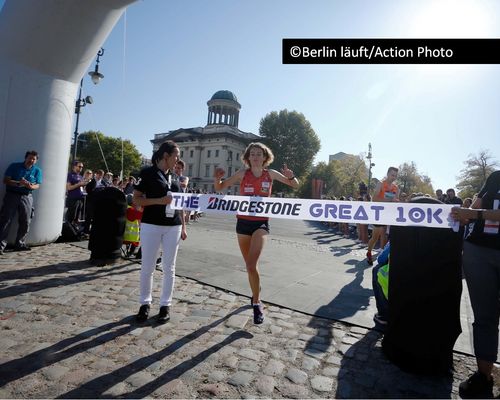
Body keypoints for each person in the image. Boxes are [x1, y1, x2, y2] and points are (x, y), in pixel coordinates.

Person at [214, 142, 299, 324]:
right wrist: (217, 178)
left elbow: (296, 186)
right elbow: (220, 188)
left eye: (258, 153)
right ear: (248, 157)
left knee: (252, 265)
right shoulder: (242, 174)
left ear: (265, 157)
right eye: (252, 153)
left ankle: (256, 303)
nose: (255, 156)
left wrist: (292, 177)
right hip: (242, 223)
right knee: (250, 266)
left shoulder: (271, 174)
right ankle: (256, 291)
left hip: (261, 223)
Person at [451, 170, 500, 399]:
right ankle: (484, 376)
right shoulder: (495, 177)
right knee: (484, 317)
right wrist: (460, 214)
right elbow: (472, 210)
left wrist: (475, 213)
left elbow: (477, 212)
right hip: (478, 251)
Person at [133, 141, 187, 324]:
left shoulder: (175, 177)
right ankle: (145, 303)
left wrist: (184, 227)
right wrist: (159, 200)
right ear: (165, 156)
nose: (178, 159)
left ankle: (165, 305)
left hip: (174, 226)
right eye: (176, 156)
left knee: (169, 268)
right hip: (152, 224)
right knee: (147, 267)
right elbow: (136, 200)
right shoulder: (147, 173)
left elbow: (179, 204)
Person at [0, 150, 42, 254]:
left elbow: (37, 185)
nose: (31, 160)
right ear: (25, 158)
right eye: (29, 158)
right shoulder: (14, 166)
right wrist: (19, 183)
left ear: (36, 161)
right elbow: (6, 180)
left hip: (27, 196)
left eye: (34, 159)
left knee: (26, 221)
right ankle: (0, 246)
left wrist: (30, 186)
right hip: (12, 195)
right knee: (6, 220)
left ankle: (20, 244)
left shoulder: (37, 170)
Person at [366, 167, 399, 265]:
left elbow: (395, 202)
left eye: (396, 176)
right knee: (375, 237)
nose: (394, 177)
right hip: (379, 214)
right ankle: (369, 252)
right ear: (388, 173)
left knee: (386, 236)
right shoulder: (380, 184)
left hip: (389, 215)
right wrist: (389, 200)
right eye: (392, 175)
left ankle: (384, 257)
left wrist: (397, 202)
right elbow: (374, 199)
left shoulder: (396, 188)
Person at [66, 160, 88, 226]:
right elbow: (68, 188)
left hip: (80, 199)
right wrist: (79, 184)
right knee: (71, 217)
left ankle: (74, 231)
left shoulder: (80, 176)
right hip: (73, 199)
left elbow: (81, 188)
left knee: (77, 218)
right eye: (79, 166)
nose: (81, 168)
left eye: (82, 167)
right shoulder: (69, 175)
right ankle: (68, 232)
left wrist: (84, 184)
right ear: (74, 166)